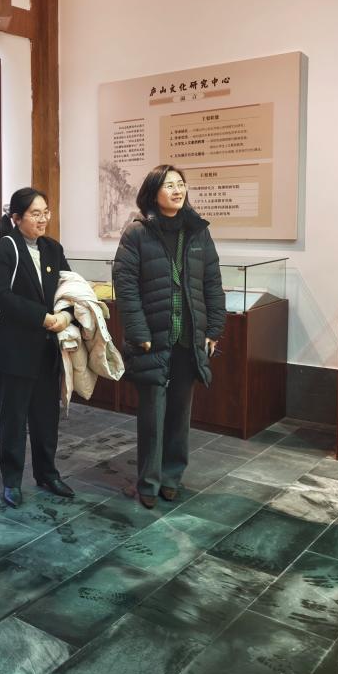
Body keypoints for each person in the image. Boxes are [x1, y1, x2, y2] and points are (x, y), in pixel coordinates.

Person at [112, 164, 225, 509]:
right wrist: (138, 332)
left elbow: (212, 283)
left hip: (188, 338)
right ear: (153, 193)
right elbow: (125, 287)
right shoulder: (137, 233)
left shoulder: (198, 231)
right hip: (152, 337)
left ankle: (172, 477)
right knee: (152, 414)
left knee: (180, 412)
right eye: (169, 185)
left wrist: (214, 329)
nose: (177, 190)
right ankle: (148, 482)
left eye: (180, 184)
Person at [0, 187, 74, 508]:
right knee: (13, 418)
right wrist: (43, 318)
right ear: (16, 218)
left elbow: (70, 287)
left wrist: (65, 315)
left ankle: (47, 473)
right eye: (35, 214)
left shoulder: (52, 248)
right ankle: (11, 481)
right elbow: (0, 296)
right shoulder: (4, 250)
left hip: (47, 350)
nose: (42, 219)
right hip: (14, 350)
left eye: (45, 212)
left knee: (46, 416)